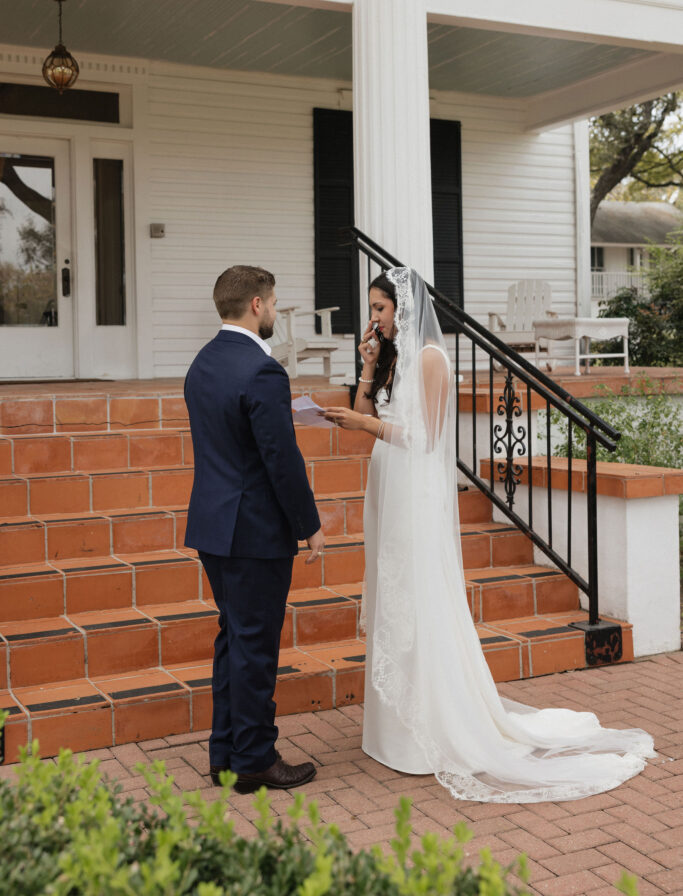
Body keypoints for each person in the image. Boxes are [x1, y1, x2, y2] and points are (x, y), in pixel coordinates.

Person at [323, 266, 655, 802]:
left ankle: (429, 728)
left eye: (380, 309)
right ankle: (392, 727)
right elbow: (364, 412)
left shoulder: (431, 358)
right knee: (392, 592)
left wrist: (368, 426)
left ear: (403, 308)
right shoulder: (393, 359)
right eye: (373, 309)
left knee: (420, 596)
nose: (374, 319)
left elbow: (427, 439)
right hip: (387, 481)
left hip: (415, 490)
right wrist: (365, 371)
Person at [184, 265, 325, 794]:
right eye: (273, 300)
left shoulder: (202, 363)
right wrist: (308, 524)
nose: (272, 310)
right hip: (254, 532)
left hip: (214, 528)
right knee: (255, 648)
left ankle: (227, 754)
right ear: (258, 306)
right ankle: (256, 760)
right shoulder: (262, 372)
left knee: (234, 642)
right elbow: (279, 458)